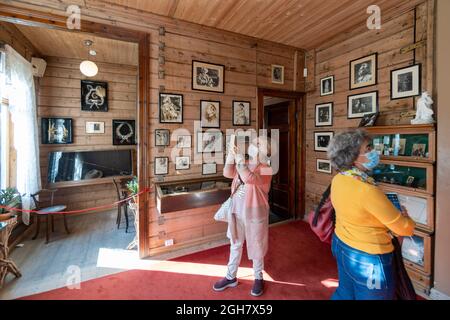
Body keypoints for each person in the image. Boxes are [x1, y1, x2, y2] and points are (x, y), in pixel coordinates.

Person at [327, 129, 415, 300]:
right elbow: (405, 229)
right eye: (367, 149)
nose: (373, 152)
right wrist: (406, 218)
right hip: (369, 258)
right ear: (352, 157)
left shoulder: (339, 178)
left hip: (341, 244)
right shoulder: (367, 189)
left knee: (344, 293)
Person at [213, 134, 273, 297]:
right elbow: (227, 172)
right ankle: (230, 277)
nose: (254, 144)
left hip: (255, 213)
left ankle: (258, 277)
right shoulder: (244, 163)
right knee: (235, 244)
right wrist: (231, 154)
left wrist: (238, 157)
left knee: (256, 245)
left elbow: (248, 178)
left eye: (259, 143)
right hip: (236, 211)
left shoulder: (266, 167)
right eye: (255, 142)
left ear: (266, 151)